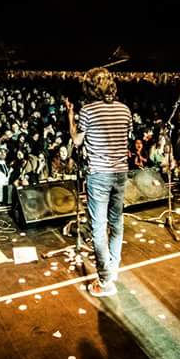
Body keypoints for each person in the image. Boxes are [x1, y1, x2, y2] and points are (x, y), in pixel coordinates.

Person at [65, 68, 132, 298]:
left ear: (90, 88)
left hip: (99, 175)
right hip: (121, 173)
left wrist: (70, 116)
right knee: (117, 223)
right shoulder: (125, 110)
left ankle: (105, 281)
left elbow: (76, 141)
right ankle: (112, 270)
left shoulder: (88, 110)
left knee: (98, 227)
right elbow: (126, 138)